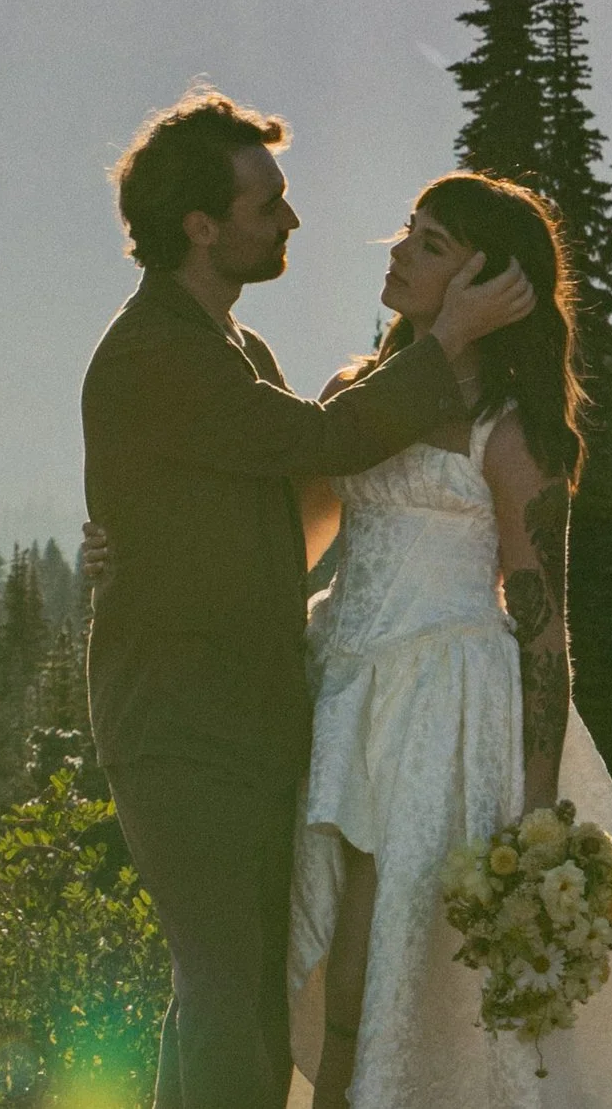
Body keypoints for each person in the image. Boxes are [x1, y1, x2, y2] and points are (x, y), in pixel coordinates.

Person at [94, 172, 612, 1108]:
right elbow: (297, 535)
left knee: (371, 959)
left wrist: (540, 803)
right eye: (409, 230)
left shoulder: (511, 435)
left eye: (430, 244)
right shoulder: (361, 394)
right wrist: (143, 543)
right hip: (338, 686)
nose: (398, 250)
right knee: (275, 959)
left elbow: (544, 621)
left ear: (485, 287)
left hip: (441, 704)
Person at [80, 93, 535, 1109]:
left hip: (248, 715)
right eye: (266, 204)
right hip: (179, 726)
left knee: (225, 990)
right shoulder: (158, 357)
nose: (289, 221)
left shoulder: (230, 351)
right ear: (202, 226)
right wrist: (449, 335)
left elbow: (300, 510)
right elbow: (324, 442)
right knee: (226, 990)